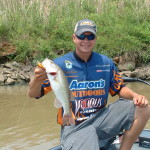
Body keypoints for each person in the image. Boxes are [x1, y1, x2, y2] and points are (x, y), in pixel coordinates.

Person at [28, 19, 150, 150]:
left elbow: (119, 88)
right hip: (75, 126)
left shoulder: (105, 62)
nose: (86, 40)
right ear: (74, 38)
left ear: (95, 39)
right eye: (81, 36)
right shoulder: (59, 65)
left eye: (90, 36)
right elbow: (33, 93)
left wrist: (135, 96)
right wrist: (37, 79)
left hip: (101, 119)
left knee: (143, 107)